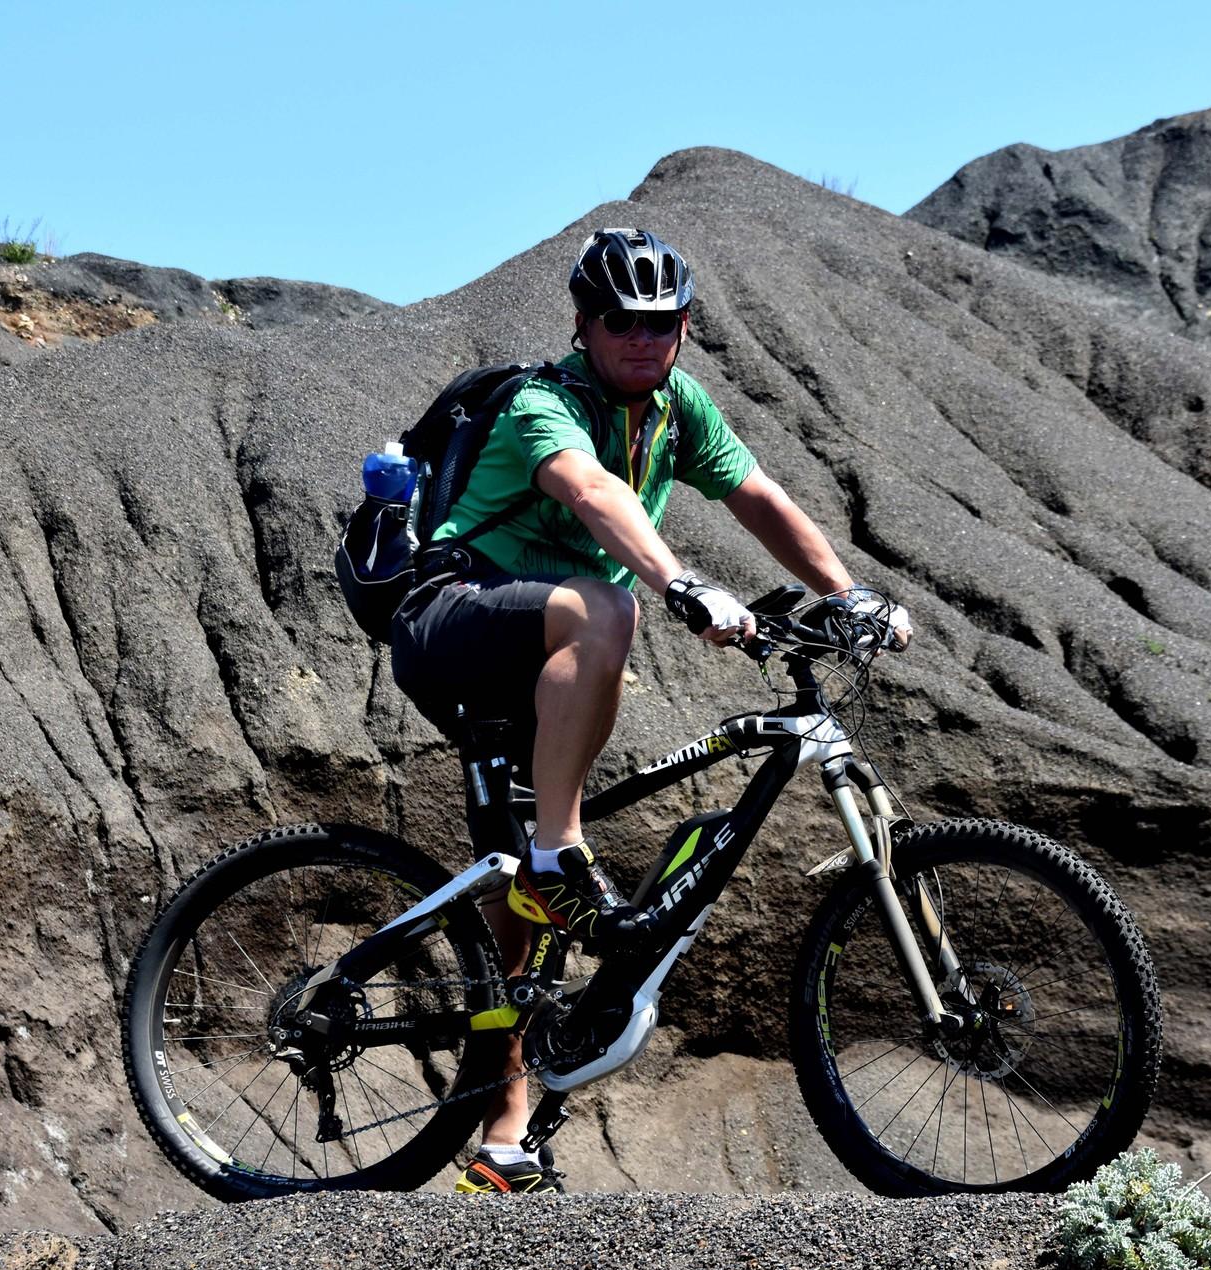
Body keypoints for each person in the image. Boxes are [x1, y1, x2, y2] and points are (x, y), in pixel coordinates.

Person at [388, 228, 910, 1193]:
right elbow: (590, 491)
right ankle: (558, 852)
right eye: (620, 321)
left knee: (517, 904)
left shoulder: (679, 407)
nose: (642, 338)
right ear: (583, 325)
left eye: (661, 323)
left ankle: (504, 1136)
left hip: (551, 646)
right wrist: (680, 582)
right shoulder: (543, 403)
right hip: (451, 613)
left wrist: (847, 594)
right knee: (608, 611)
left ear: (684, 328)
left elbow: (757, 494)